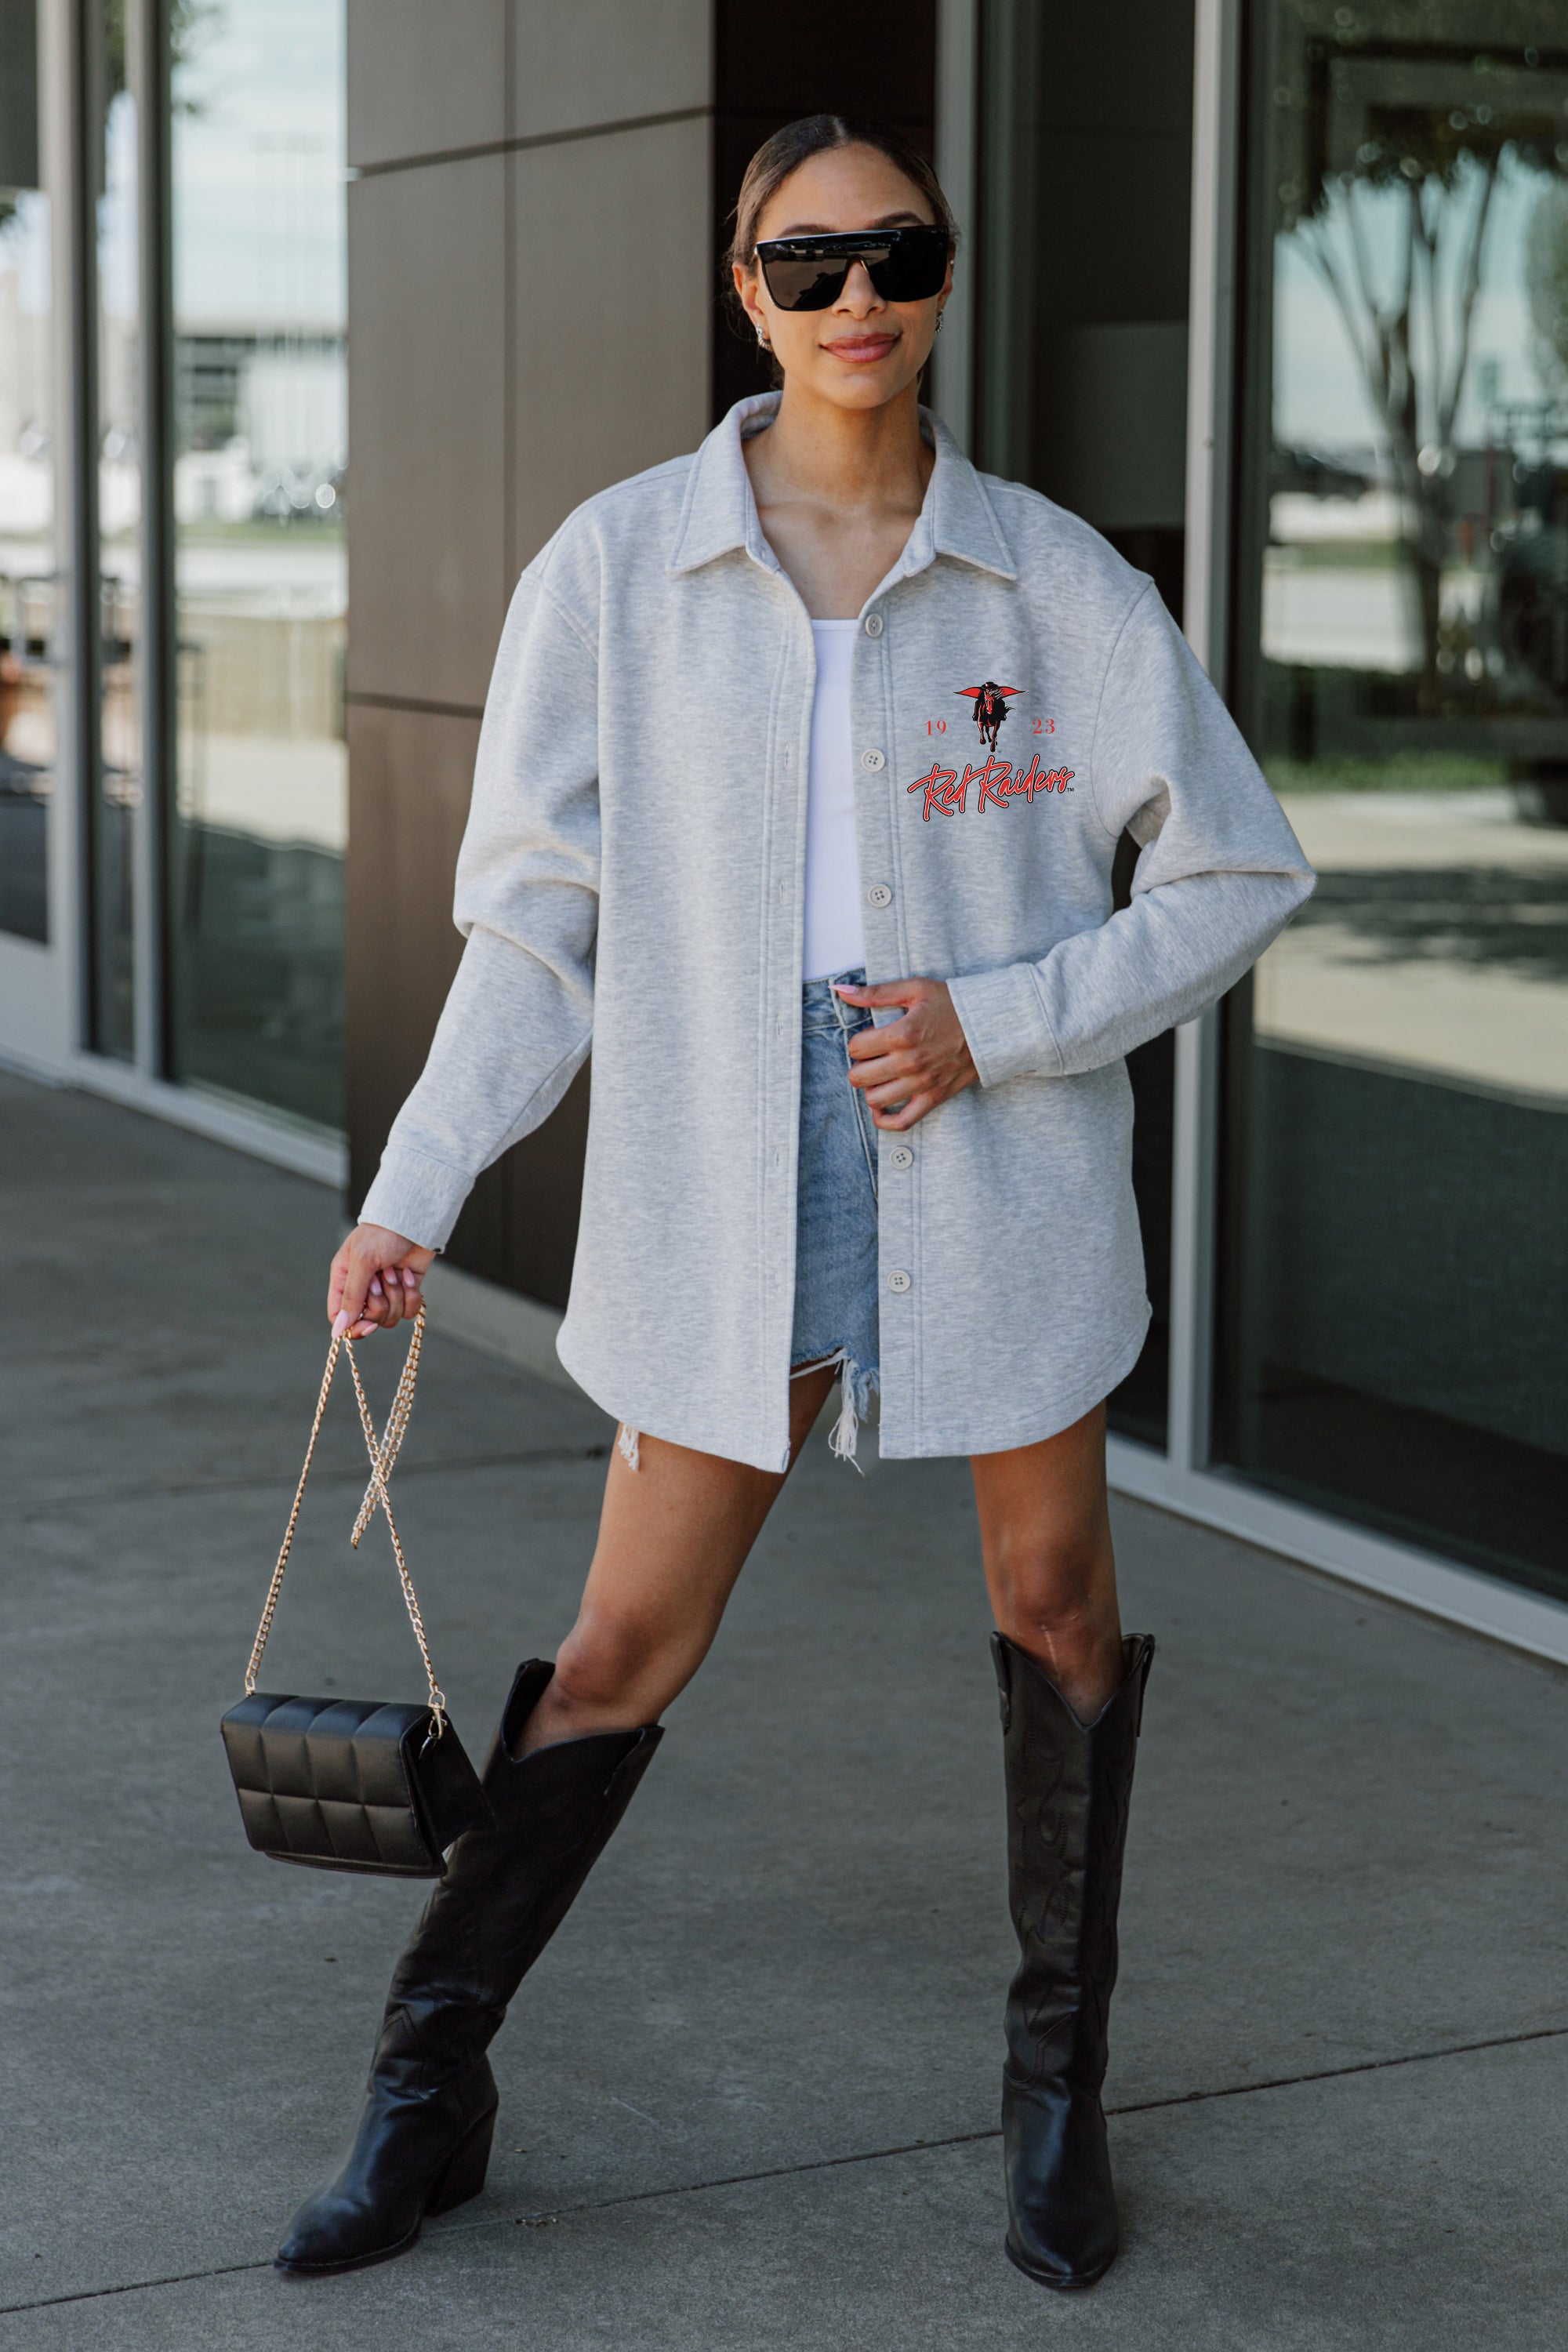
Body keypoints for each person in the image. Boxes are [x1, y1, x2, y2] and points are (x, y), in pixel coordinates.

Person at [275, 114, 1313, 2289]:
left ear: (941, 280)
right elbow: (538, 927)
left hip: (992, 1159)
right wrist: (416, 1192)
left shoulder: (1053, 578)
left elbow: (1237, 866)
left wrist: (1002, 1023)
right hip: (716, 1161)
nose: (861, 299)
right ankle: (425, 2087)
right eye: (811, 261)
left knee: (1057, 1614)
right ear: (745, 290)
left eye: (898, 256)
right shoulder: (621, 566)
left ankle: (1056, 2099)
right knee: (628, 1645)